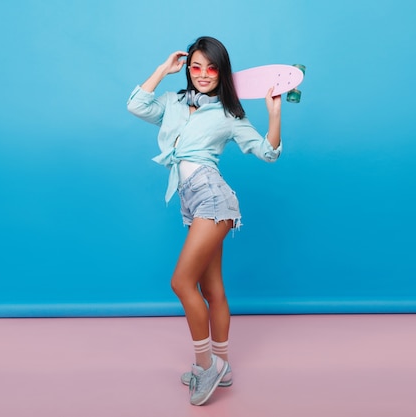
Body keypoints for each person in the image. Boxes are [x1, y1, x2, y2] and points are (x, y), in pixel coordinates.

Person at [127, 36, 282, 406]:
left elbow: (268, 153)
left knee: (182, 283)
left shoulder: (230, 114)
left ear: (222, 71)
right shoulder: (173, 104)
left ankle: (204, 367)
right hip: (193, 201)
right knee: (211, 289)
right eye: (195, 67)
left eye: (211, 68)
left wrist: (274, 116)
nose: (202, 74)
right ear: (187, 69)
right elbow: (135, 104)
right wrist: (163, 70)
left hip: (213, 199)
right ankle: (222, 366)